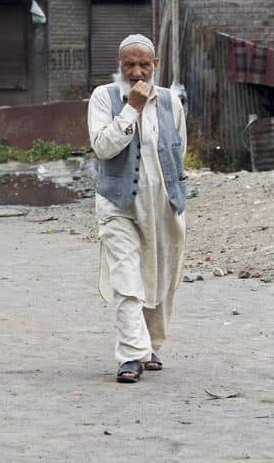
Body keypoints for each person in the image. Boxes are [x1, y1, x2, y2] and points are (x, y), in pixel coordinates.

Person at [87, 34, 188, 384]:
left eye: (144, 64)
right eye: (129, 64)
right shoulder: (104, 97)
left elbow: (178, 149)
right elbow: (103, 147)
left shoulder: (171, 102)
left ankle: (149, 345)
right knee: (127, 280)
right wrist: (131, 107)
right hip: (118, 204)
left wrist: (176, 195)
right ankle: (131, 355)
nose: (137, 71)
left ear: (155, 65)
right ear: (120, 65)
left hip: (162, 204)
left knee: (158, 277)